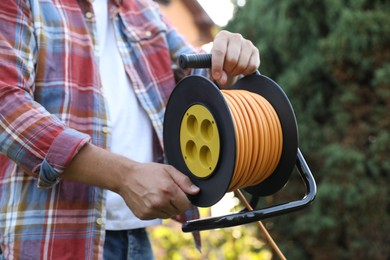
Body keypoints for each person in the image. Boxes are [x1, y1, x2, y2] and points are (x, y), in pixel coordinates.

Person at [0, 0, 260, 258]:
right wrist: (125, 176)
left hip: (136, 239)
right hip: (51, 239)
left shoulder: (144, 10)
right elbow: (7, 106)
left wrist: (227, 61)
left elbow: (200, 84)